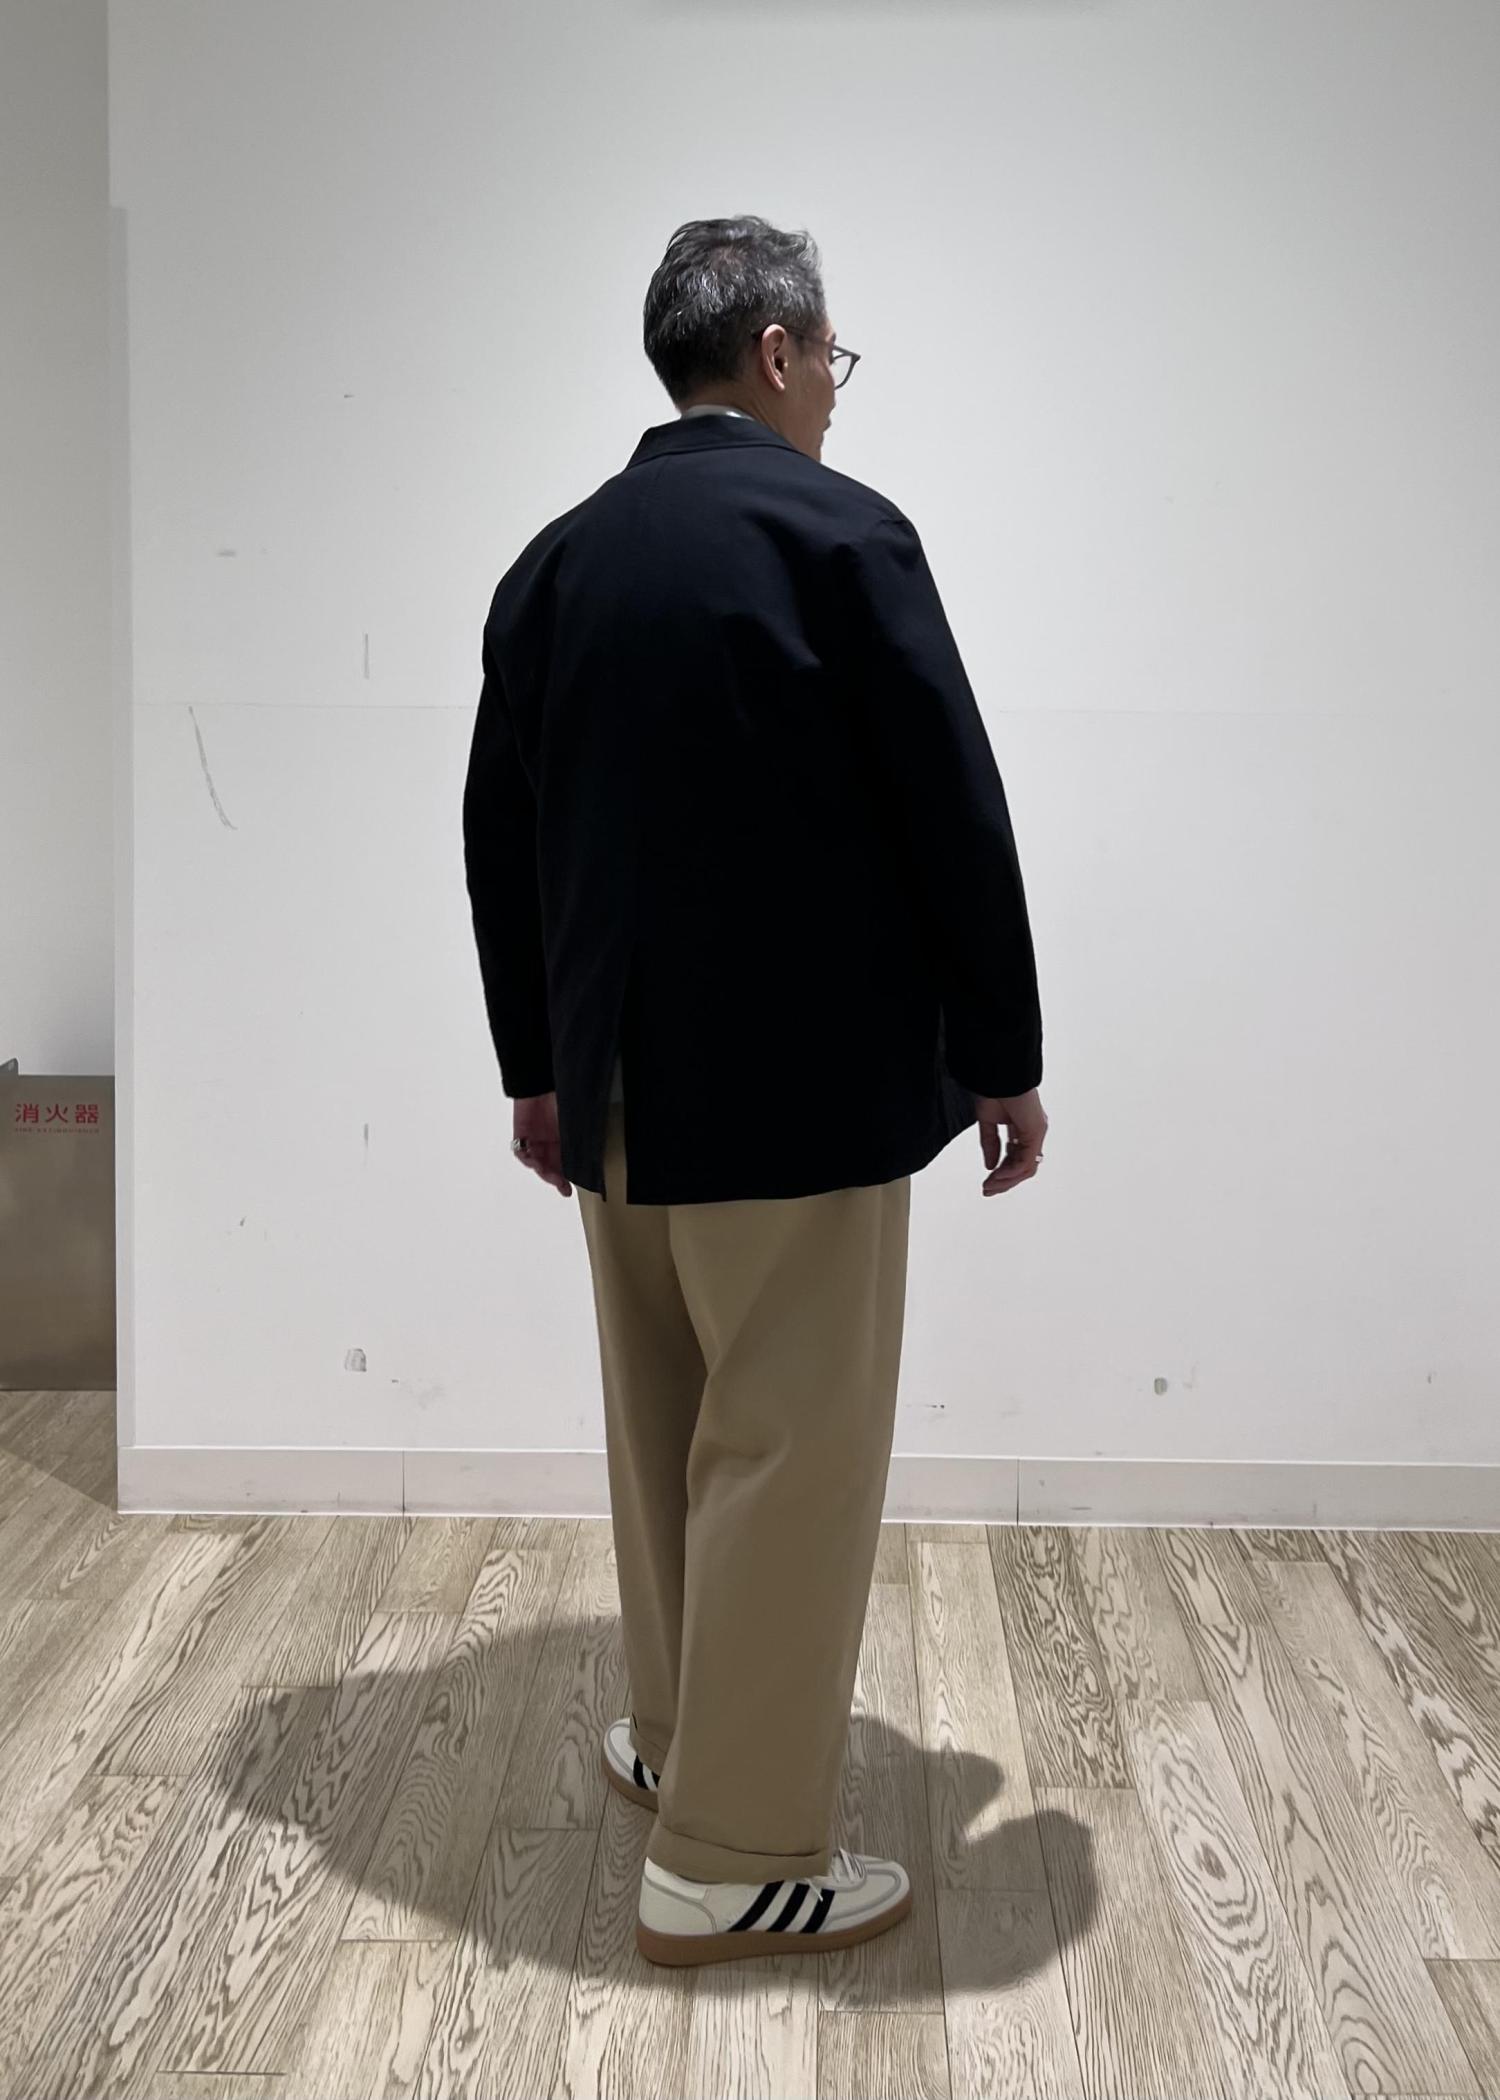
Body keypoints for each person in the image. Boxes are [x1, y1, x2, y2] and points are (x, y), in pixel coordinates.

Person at [462, 214, 1048, 1965]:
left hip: (616, 1102)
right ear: (779, 353)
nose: (834, 397)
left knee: (662, 1433)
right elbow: (952, 808)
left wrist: (536, 1068)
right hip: (801, 1103)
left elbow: (500, 838)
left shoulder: (556, 564)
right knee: (790, 1456)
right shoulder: (841, 537)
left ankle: (676, 1740)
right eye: (831, 362)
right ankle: (731, 1854)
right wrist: (1004, 1054)